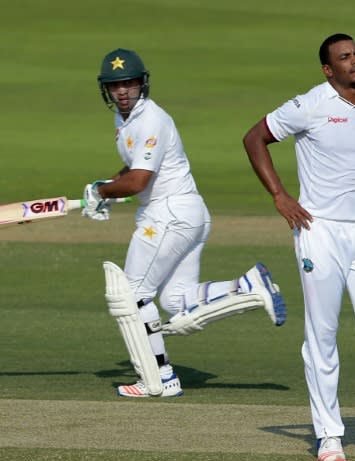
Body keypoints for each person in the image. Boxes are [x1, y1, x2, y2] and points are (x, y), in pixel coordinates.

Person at [242, 34, 355, 461]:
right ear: (328, 70)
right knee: (322, 335)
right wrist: (279, 195)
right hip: (319, 232)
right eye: (344, 58)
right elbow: (254, 139)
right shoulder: (309, 105)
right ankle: (328, 437)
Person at [83, 48, 287, 399]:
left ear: (142, 84)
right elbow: (131, 172)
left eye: (129, 83)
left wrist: (101, 191)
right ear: (106, 89)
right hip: (185, 214)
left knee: (132, 295)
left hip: (169, 215)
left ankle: (157, 377)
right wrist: (106, 191)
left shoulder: (151, 120)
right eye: (115, 85)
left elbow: (137, 182)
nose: (122, 91)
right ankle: (248, 286)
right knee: (178, 301)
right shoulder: (125, 119)